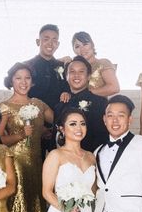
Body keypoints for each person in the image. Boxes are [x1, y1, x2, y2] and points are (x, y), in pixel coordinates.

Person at [0, 63, 53, 212]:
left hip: (37, 165)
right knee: (19, 208)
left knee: (36, 207)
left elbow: (56, 119)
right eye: (18, 78)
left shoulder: (39, 104)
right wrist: (21, 135)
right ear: (11, 80)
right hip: (15, 164)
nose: (23, 82)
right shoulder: (4, 107)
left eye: (27, 78)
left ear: (32, 81)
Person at [25, 24, 70, 158]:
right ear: (38, 42)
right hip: (32, 127)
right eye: (46, 39)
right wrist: (39, 127)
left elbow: (68, 92)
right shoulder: (27, 66)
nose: (50, 43)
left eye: (54, 40)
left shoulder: (63, 67)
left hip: (57, 128)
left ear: (58, 44)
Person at [53, 56, 108, 152]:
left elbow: (104, 136)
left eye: (81, 72)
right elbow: (56, 137)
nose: (76, 75)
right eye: (72, 72)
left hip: (92, 157)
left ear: (88, 76)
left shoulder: (100, 102)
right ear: (66, 76)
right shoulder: (60, 105)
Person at [70, 31, 120, 97]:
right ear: (73, 50)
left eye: (85, 44)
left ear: (92, 45)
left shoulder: (103, 63)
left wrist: (84, 94)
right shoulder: (71, 67)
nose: (82, 49)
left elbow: (114, 88)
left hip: (99, 105)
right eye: (77, 46)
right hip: (73, 105)